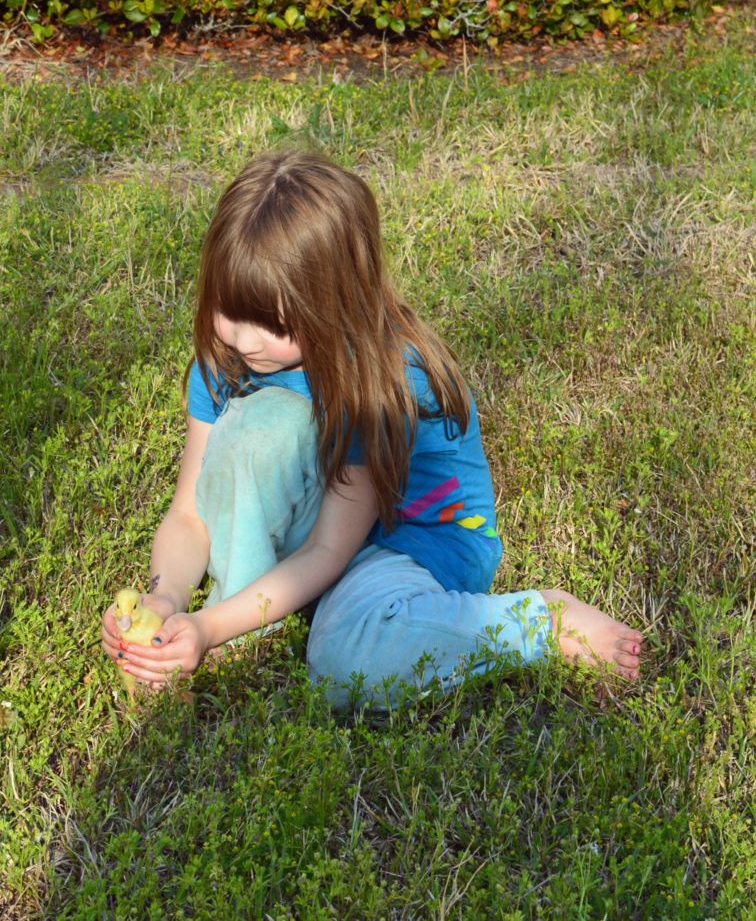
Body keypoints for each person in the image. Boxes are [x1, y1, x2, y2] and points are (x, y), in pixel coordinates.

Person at [102, 151, 645, 708]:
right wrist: (165, 598)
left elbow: (328, 551)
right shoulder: (224, 362)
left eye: (274, 325)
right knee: (260, 428)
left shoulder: (382, 382)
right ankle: (242, 612)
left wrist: (209, 628)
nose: (243, 340)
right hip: (327, 525)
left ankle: (539, 621)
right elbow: (190, 513)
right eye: (229, 311)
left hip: (410, 542)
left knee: (349, 662)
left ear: (335, 302)